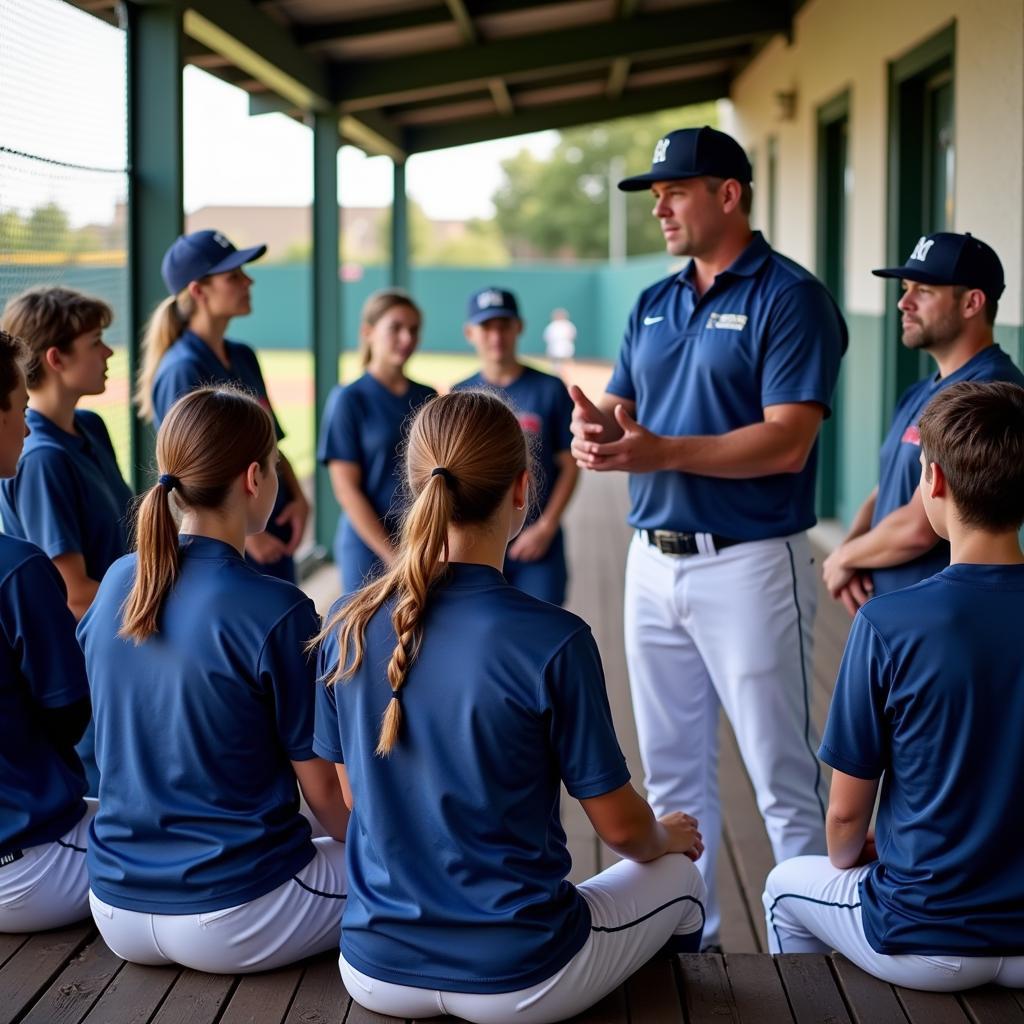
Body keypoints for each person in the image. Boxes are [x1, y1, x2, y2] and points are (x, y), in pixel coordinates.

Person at [314, 390, 705, 1024]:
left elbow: (353, 797)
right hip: (518, 977)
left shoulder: (348, 621)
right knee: (682, 882)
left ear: (416, 490)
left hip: (373, 969)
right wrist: (670, 836)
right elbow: (623, 831)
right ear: (522, 490)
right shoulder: (555, 639)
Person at [569, 125, 847, 948]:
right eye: (654, 194)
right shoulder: (654, 301)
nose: (659, 206)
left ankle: (807, 957)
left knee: (782, 779)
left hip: (751, 562)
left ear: (730, 194)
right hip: (650, 561)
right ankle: (684, 942)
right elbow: (626, 410)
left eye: (675, 191)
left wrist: (657, 448)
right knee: (671, 779)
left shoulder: (789, 296)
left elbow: (788, 438)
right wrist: (601, 431)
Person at [764, 380, 1024, 991]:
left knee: (782, 888)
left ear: (933, 483)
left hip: (928, 940)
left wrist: (860, 851)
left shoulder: (888, 622)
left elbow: (844, 824)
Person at [78, 386, 348, 973]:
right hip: (235, 912)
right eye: (276, 465)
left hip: (114, 909)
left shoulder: (120, 580)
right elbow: (325, 796)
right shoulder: (276, 608)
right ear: (254, 477)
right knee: (406, 875)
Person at [822, 232, 1024, 613]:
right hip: (894, 611)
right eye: (905, 288)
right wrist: (850, 549)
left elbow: (918, 527)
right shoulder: (921, 390)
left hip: (944, 618)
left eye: (924, 291)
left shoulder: (991, 391)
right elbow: (883, 489)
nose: (903, 302)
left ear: (972, 303)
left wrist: (844, 558)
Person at [0, 287, 134, 795]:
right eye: (96, 341)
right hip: (90, 662)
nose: (109, 352)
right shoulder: (41, 458)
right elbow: (74, 592)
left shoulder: (90, 427)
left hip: (124, 638)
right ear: (56, 358)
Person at [135, 229, 308, 583]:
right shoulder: (182, 368)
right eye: (233, 276)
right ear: (198, 291)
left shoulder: (242, 355)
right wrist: (253, 536)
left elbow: (269, 440)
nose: (249, 281)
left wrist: (299, 496)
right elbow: (191, 472)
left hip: (268, 519)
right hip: (233, 537)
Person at [0, 329, 96, 933]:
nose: (29, 426)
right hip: (29, 866)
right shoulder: (18, 568)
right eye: (17, 406)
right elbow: (68, 714)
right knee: (186, 850)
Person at [455, 288, 578, 605]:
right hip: (477, 544)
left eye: (504, 325)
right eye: (487, 327)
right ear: (470, 333)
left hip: (537, 541)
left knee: (542, 632)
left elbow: (569, 464)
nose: (496, 336)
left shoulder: (549, 389)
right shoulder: (461, 395)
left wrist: (547, 526)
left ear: (519, 328)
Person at [317, 289, 436, 594]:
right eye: (395, 328)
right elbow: (345, 489)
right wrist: (393, 556)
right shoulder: (348, 399)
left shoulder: (427, 397)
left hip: (420, 540)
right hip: (367, 547)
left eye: (413, 330)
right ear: (368, 332)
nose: (407, 338)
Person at [543, 308, 576, 377]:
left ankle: (569, 374)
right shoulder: (552, 325)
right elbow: (548, 337)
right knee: (555, 363)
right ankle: (557, 374)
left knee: (566, 361)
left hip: (565, 346)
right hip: (555, 346)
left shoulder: (568, 325)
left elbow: (572, 336)